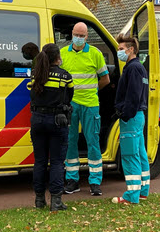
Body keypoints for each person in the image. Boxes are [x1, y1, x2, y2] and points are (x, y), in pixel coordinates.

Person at [60, 22, 110, 196]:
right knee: (70, 142)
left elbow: (105, 79)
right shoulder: (62, 54)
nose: (79, 38)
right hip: (70, 105)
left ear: (87, 36)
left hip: (90, 105)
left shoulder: (95, 54)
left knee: (93, 142)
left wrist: (92, 91)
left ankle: (95, 182)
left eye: (82, 35)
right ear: (72, 34)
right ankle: (72, 180)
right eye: (76, 34)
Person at [28, 43, 74, 211]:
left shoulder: (36, 75)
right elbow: (69, 97)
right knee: (56, 162)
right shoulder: (65, 76)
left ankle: (39, 200)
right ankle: (56, 202)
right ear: (57, 58)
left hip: (37, 120)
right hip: (57, 121)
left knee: (39, 161)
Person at [112, 35, 150, 205]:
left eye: (121, 49)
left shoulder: (132, 69)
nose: (119, 52)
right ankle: (142, 191)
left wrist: (124, 114)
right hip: (138, 115)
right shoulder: (140, 68)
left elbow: (132, 96)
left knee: (129, 155)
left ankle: (131, 196)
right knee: (140, 154)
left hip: (131, 117)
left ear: (131, 49)